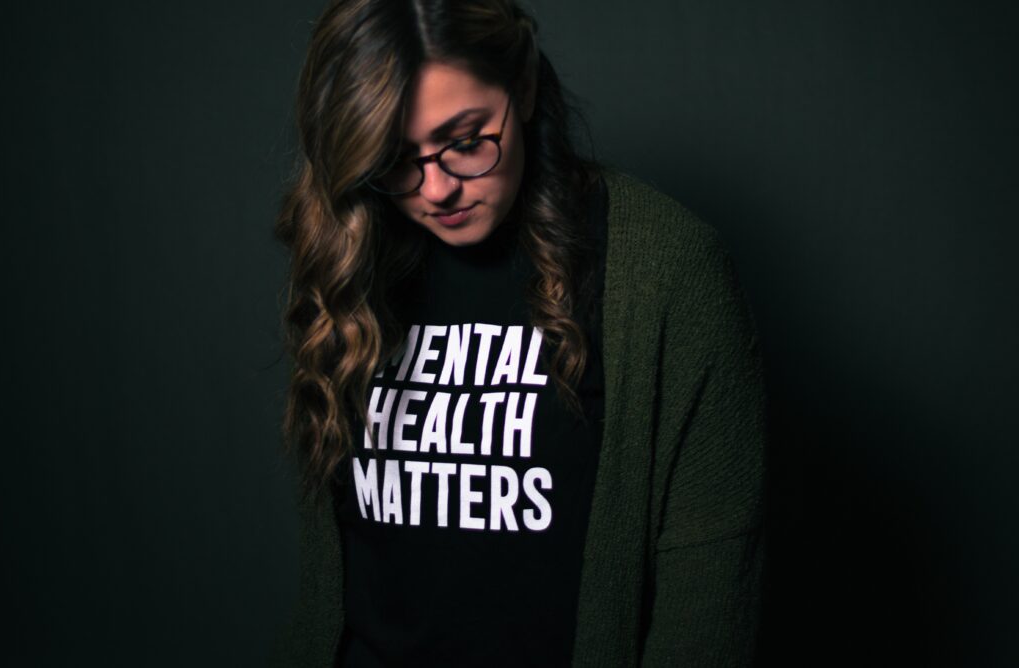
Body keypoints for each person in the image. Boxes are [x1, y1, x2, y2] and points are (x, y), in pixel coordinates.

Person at [273, 1, 767, 666]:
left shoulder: (666, 270)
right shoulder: (351, 258)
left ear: (525, 86)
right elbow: (332, 589)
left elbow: (705, 602)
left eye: (467, 139)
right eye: (395, 159)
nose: (437, 189)